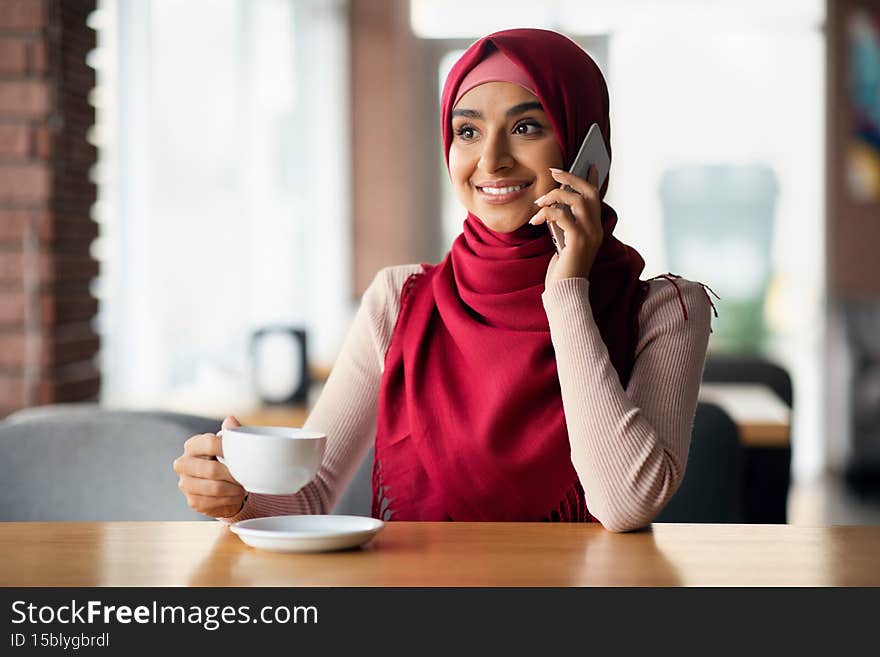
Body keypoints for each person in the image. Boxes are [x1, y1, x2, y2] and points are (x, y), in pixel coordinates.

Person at [173, 28, 712, 532]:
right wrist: (237, 497)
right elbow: (308, 498)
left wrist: (567, 289)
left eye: (526, 127)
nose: (491, 160)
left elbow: (625, 503)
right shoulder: (400, 299)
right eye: (468, 131)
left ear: (584, 148)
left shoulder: (664, 308)